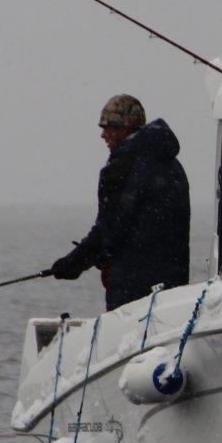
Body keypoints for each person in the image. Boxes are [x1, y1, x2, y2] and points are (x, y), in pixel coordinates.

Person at [47, 94, 190, 310]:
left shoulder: (121, 166)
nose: (103, 135)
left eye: (109, 127)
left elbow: (108, 229)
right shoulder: (173, 166)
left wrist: (72, 264)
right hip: (173, 291)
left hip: (131, 291)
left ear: (126, 128)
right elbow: (136, 224)